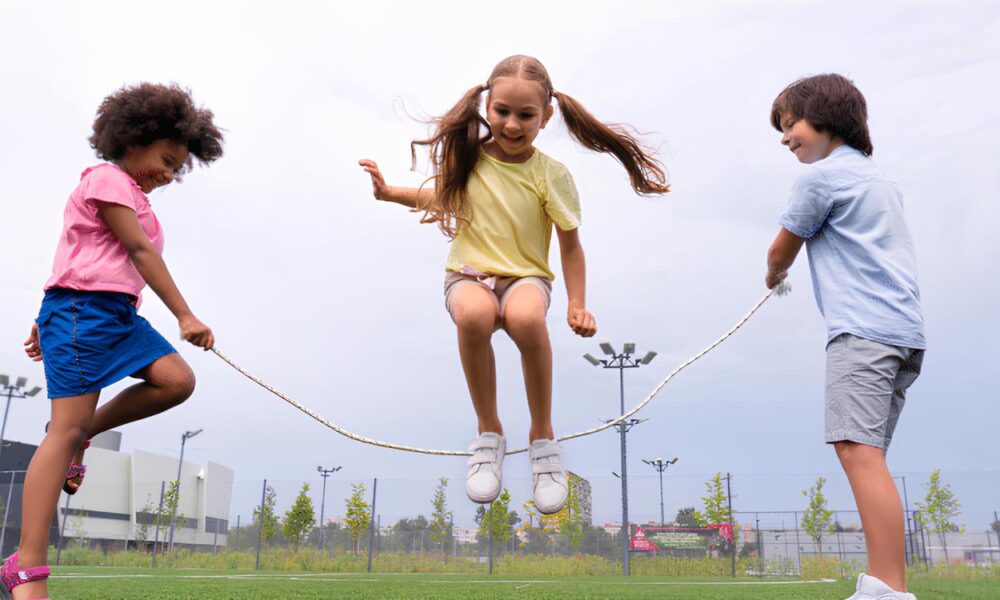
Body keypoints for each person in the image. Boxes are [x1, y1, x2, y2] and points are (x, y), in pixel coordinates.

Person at [360, 55, 669, 514]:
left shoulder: (551, 174)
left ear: (545, 117)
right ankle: (490, 435)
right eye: (503, 111)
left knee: (525, 318)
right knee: (473, 314)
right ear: (487, 107)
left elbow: (570, 246)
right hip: (469, 274)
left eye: (526, 115)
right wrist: (389, 194)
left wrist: (577, 303)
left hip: (525, 277)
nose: (512, 123)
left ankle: (543, 439)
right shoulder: (470, 161)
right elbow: (440, 197)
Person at [3, 83, 224, 599]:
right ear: (133, 139)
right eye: (167, 160)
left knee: (175, 381)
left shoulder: (135, 199)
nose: (169, 175)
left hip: (112, 315)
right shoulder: (106, 177)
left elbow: (81, 251)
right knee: (63, 429)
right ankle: (26, 565)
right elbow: (138, 252)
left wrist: (47, 312)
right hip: (83, 312)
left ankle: (84, 437)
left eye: (177, 169)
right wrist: (185, 315)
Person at [764, 74, 925, 600]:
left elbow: (780, 250)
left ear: (826, 119)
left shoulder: (821, 179)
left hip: (863, 333)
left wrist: (773, 277)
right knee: (867, 451)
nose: (786, 138)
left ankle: (886, 590)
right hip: (904, 335)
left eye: (792, 125)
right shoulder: (880, 179)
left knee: (858, 451)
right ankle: (886, 585)